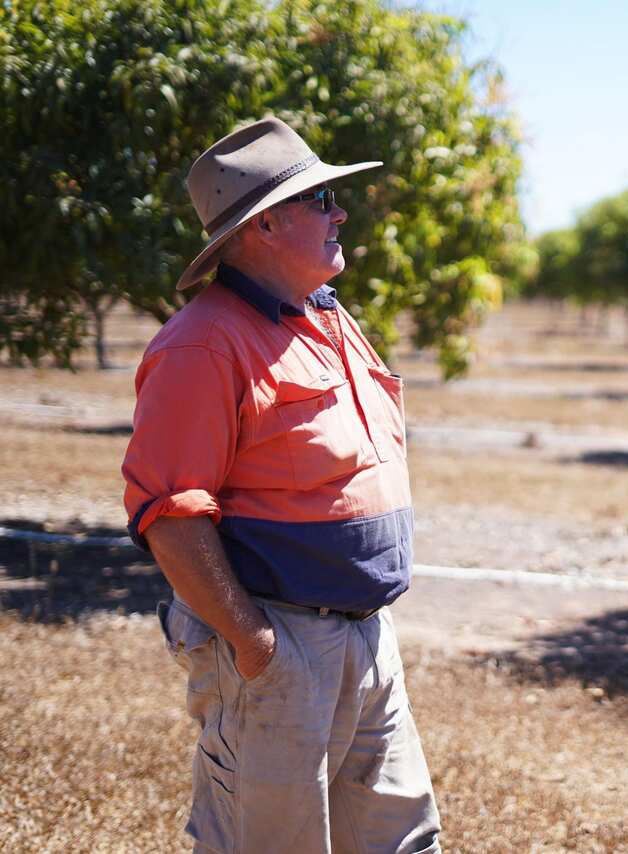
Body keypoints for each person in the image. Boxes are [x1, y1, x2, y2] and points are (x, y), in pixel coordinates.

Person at [122, 116, 441, 853]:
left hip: (368, 637)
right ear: (265, 224)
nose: (340, 213)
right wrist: (255, 643)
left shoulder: (328, 317)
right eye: (320, 199)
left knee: (405, 843)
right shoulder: (203, 343)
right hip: (281, 644)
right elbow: (171, 515)